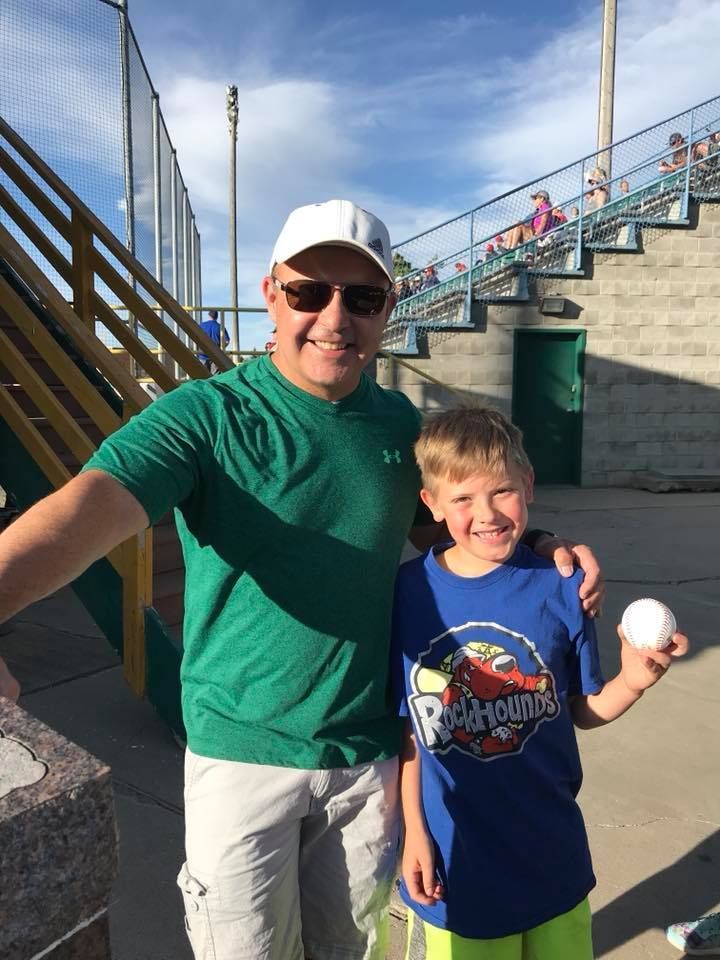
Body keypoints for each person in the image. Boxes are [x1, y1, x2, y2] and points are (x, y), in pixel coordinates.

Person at [0, 199, 604, 960]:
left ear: (387, 309)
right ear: (270, 292)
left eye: (363, 298)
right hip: (242, 760)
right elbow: (89, 508)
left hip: (368, 762)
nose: (334, 317)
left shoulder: (399, 430)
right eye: (309, 291)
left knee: (349, 952)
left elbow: (449, 529)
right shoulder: (208, 418)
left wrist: (543, 545)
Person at [393, 406, 688, 960]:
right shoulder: (409, 594)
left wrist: (633, 680)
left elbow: (582, 708)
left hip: (551, 850)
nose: (486, 514)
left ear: (527, 485)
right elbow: (410, 731)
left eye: (502, 491)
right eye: (461, 499)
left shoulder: (561, 587)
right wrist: (414, 832)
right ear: (430, 503)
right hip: (459, 859)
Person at [197, 309, 230, 373]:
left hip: (202, 354)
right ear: (217, 317)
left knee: (203, 376)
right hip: (216, 355)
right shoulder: (220, 326)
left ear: (209, 315)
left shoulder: (202, 325)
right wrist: (220, 349)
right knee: (215, 378)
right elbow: (227, 341)